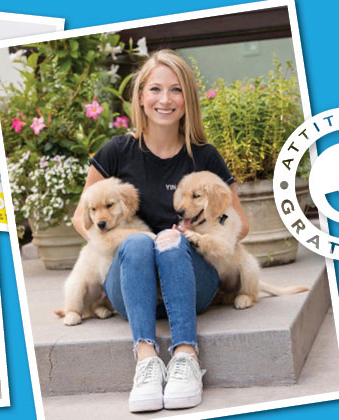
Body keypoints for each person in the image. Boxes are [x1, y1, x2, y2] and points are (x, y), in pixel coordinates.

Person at [71, 50, 249, 413]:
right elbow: (82, 219)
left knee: (171, 245)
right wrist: (111, 246)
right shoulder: (116, 152)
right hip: (130, 285)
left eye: (176, 90)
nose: (165, 100)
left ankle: (185, 356)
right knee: (137, 243)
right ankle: (146, 361)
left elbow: (239, 223)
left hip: (189, 281)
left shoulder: (205, 157)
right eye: (155, 89)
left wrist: (194, 230)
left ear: (188, 99)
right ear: (140, 97)